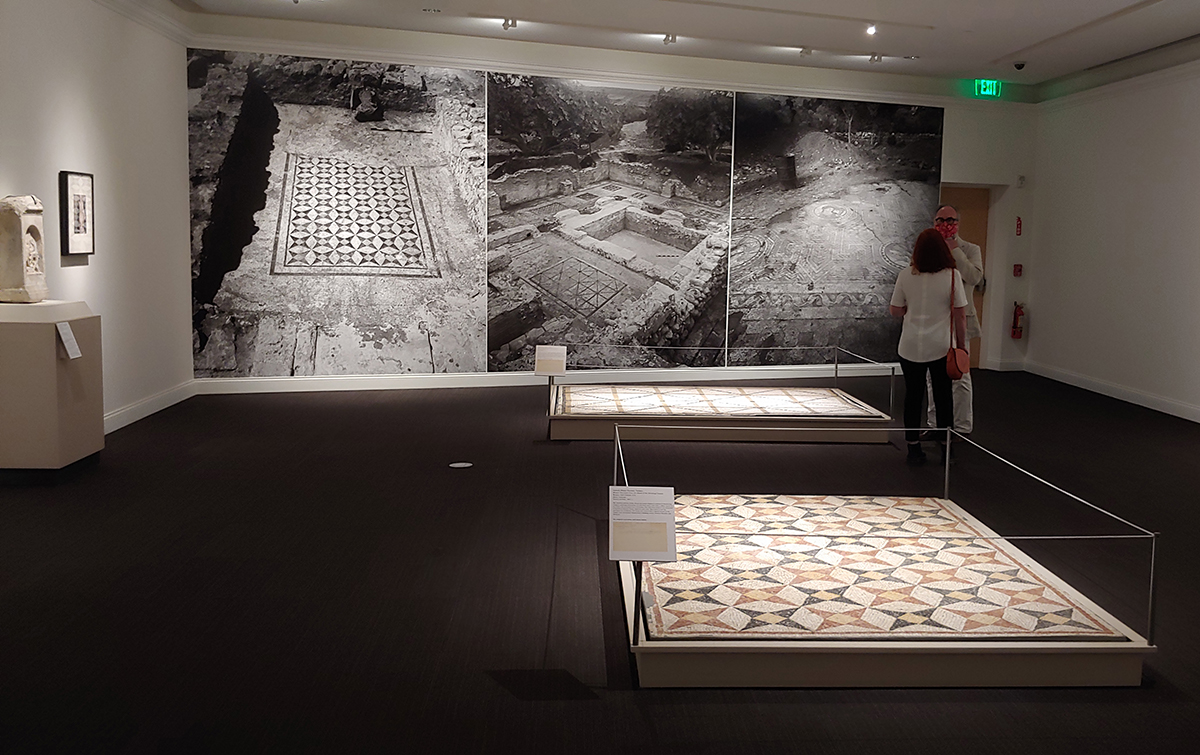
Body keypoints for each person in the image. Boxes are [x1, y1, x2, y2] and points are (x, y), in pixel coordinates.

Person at [890, 228, 968, 465]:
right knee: (943, 398)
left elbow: (895, 310)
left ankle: (913, 448)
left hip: (910, 346)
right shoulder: (952, 276)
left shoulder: (905, 275)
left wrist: (910, 309)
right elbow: (960, 316)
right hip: (940, 346)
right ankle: (946, 450)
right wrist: (962, 347)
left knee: (913, 396)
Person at [925, 205, 984, 436]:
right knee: (933, 376)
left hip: (961, 322)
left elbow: (975, 277)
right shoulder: (928, 250)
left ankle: (961, 427)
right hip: (934, 321)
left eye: (950, 220)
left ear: (958, 222)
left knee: (960, 375)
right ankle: (934, 424)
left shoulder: (970, 249)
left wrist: (955, 249)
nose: (945, 224)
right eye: (940, 220)